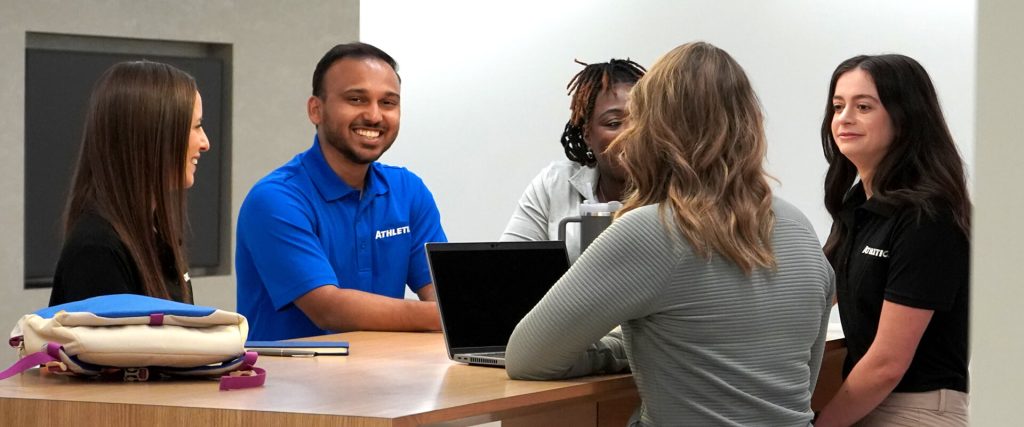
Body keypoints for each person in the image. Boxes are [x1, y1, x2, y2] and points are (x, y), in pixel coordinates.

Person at [505, 42, 835, 426]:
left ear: (651, 130)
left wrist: (616, 351)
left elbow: (527, 357)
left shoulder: (649, 231)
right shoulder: (800, 230)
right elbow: (804, 381)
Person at [236, 42, 447, 341]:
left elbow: (440, 292)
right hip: (287, 383)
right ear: (316, 110)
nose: (374, 116)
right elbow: (328, 309)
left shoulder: (408, 191)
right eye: (356, 99)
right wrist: (451, 315)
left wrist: (456, 310)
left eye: (388, 103)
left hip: (389, 379)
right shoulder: (275, 199)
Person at [813, 55, 970, 426]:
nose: (844, 118)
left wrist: (821, 425)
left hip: (914, 409)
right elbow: (815, 292)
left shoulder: (929, 215)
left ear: (905, 117)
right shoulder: (858, 206)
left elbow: (887, 364)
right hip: (868, 402)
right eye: (838, 106)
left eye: (863, 106)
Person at [49, 60, 210, 306]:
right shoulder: (97, 250)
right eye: (196, 127)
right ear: (154, 136)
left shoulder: (155, 235)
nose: (205, 142)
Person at [500, 59, 645, 262]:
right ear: (587, 134)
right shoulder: (554, 185)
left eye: (641, 120)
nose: (631, 133)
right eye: (613, 123)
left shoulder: (676, 190)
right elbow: (507, 266)